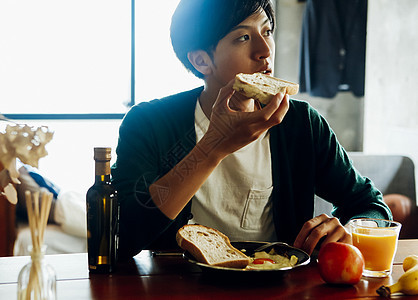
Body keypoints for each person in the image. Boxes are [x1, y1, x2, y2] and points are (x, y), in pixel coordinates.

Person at [111, 0, 391, 260]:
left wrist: (349, 230)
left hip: (277, 282)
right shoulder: (149, 123)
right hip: (177, 283)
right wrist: (213, 147)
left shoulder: (301, 123)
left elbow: (370, 204)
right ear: (201, 61)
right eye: (242, 37)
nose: (265, 51)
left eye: (267, 31)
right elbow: (123, 235)